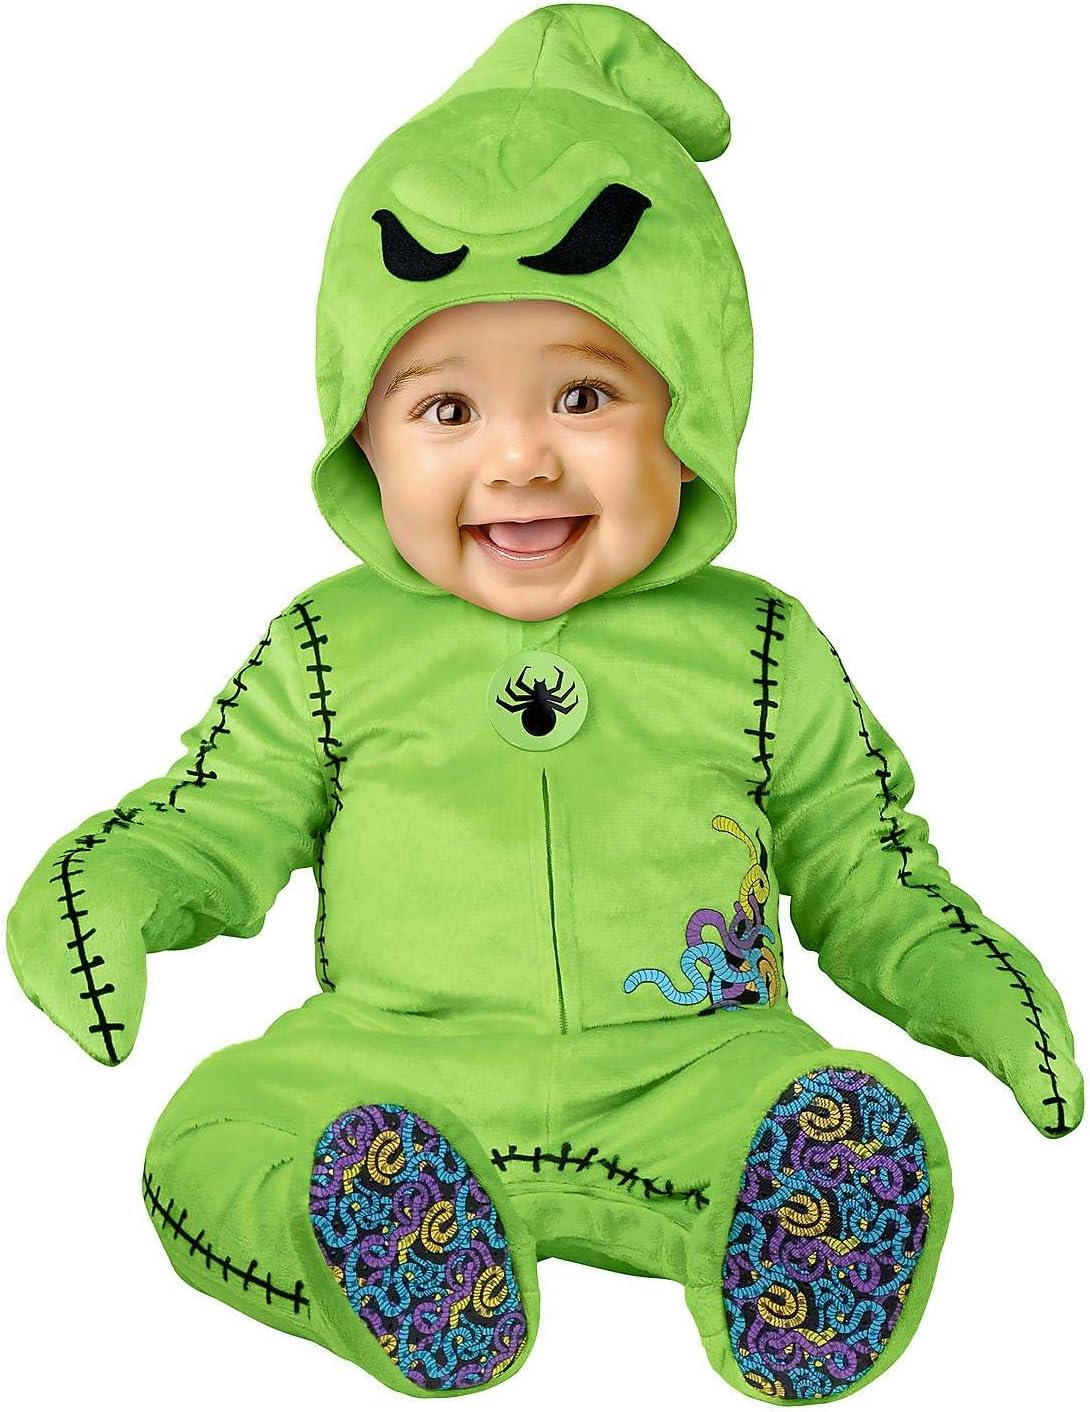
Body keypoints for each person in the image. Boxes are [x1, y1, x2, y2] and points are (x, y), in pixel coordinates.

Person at [6, 4, 1081, 1403]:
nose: (518, 462)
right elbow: (216, 818)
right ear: (363, 436)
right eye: (447, 411)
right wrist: (111, 889)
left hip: (694, 1066)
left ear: (692, 414)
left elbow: (865, 868)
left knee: (804, 1113)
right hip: (391, 1073)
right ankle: (390, 1236)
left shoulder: (759, 646)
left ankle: (780, 1219)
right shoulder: (331, 646)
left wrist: (975, 989)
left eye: (583, 396)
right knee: (209, 1138)